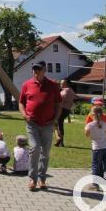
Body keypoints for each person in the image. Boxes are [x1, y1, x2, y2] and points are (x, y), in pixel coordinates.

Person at [19, 60, 61, 191]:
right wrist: (24, 115)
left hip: (48, 123)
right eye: (34, 69)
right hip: (32, 123)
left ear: (44, 70)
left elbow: (59, 103)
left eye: (39, 69)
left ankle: (42, 178)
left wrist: (55, 119)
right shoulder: (27, 84)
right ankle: (33, 178)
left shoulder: (53, 85)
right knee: (35, 148)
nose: (36, 71)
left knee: (45, 152)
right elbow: (21, 103)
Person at [85, 105, 106, 189]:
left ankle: (95, 184)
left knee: (96, 166)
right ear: (102, 114)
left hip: (97, 148)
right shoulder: (105, 124)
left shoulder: (89, 125)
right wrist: (105, 135)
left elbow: (87, 135)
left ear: (91, 115)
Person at [55, 79, 76, 147]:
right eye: (60, 83)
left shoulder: (65, 90)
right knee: (60, 124)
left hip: (61, 109)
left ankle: (59, 139)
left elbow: (60, 99)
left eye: (62, 83)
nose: (61, 85)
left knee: (56, 124)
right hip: (67, 110)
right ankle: (60, 141)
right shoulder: (71, 91)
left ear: (66, 84)